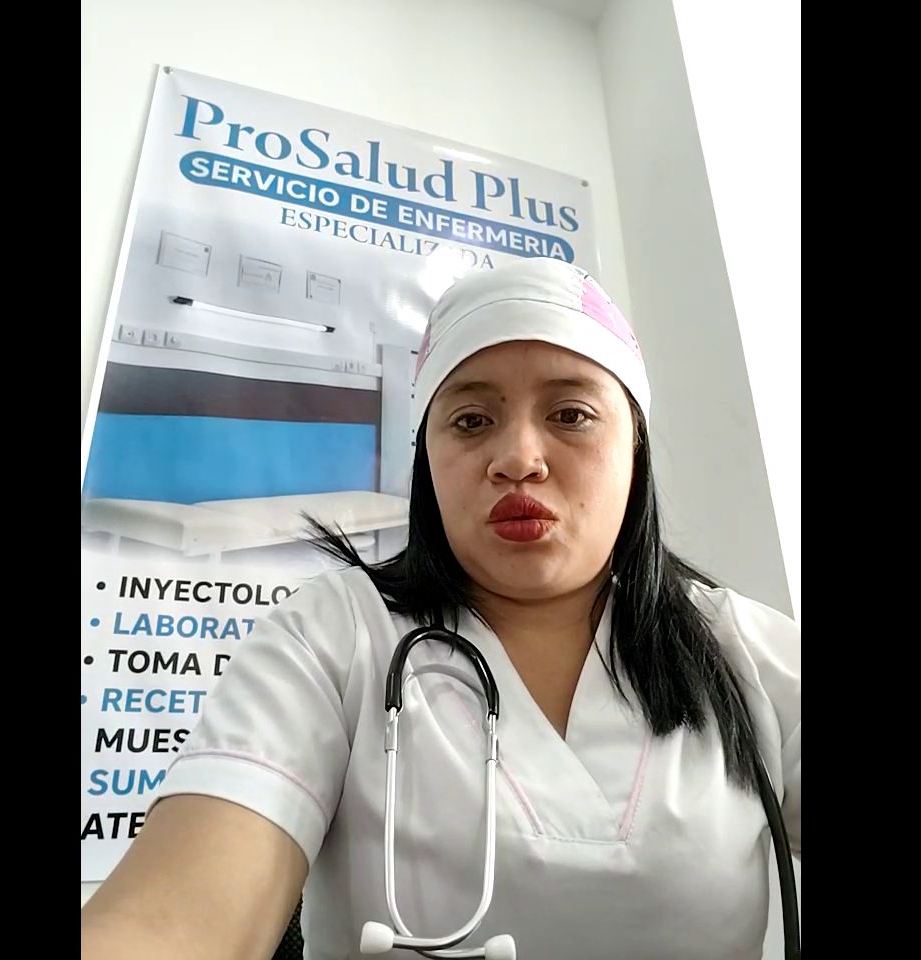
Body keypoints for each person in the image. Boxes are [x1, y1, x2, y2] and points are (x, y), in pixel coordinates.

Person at [81, 257, 800, 960]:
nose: (518, 458)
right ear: (427, 456)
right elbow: (175, 921)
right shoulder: (330, 637)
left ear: (635, 447)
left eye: (571, 414)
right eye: (471, 420)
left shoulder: (748, 652)